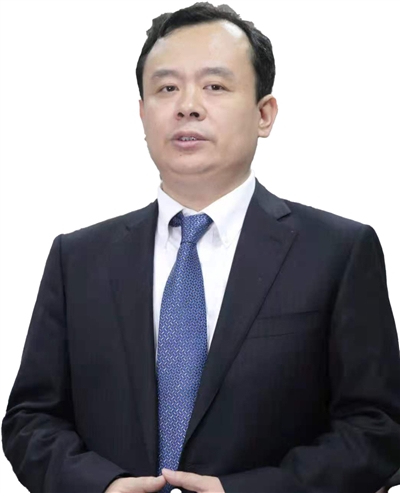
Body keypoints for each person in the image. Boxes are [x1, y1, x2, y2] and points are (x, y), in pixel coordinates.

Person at [2, 2, 400, 493]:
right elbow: (31, 419)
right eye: (167, 88)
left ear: (264, 114)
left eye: (214, 86)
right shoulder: (78, 259)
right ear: (142, 114)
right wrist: (100, 486)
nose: (187, 106)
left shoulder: (337, 253)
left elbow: (377, 429)